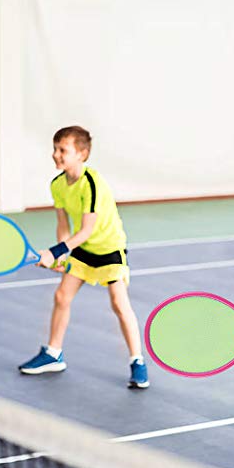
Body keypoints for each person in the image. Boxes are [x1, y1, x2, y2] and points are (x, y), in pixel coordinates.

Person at [19, 126, 149, 389]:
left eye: (62, 150)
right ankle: (53, 354)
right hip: (82, 249)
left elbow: (87, 229)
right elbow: (64, 225)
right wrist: (59, 253)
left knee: (119, 303)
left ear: (82, 154)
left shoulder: (91, 183)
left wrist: (55, 252)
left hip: (109, 247)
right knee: (61, 296)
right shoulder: (57, 185)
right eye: (55, 149)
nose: (55, 154)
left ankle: (138, 362)